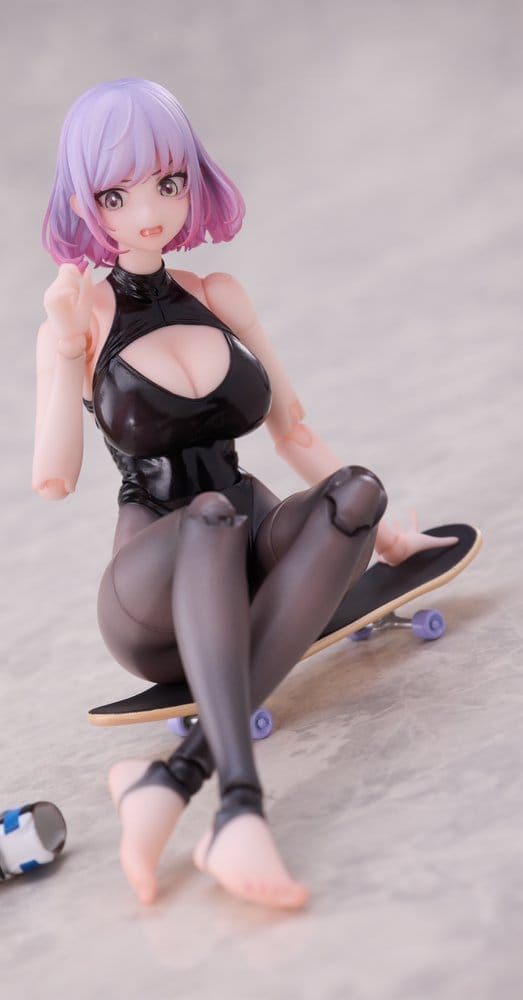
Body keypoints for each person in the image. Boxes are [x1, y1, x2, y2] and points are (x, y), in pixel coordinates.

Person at [33, 79, 454, 910]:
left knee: (356, 491)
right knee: (210, 515)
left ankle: (168, 780)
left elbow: (291, 428)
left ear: (190, 178)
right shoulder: (80, 317)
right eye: (116, 195)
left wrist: (382, 541)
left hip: (249, 551)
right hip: (152, 590)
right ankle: (236, 804)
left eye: (167, 182)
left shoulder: (216, 295)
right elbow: (55, 478)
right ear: (85, 205)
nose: (147, 211)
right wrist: (65, 349)